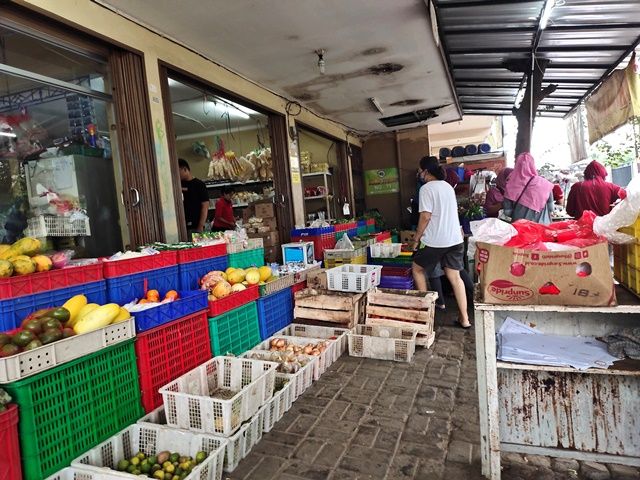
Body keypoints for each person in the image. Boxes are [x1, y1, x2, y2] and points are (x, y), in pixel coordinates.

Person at [412, 156, 470, 328]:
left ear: (426, 172)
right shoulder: (447, 187)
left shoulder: (427, 189)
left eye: (420, 171)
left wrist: (416, 239)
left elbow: (425, 216)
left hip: (436, 241)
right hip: (455, 239)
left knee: (417, 269)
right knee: (455, 276)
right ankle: (465, 319)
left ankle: (425, 315)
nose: (419, 174)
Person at [502, 152, 554, 225]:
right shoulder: (545, 184)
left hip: (520, 228)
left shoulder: (510, 185)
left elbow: (507, 212)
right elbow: (551, 208)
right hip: (542, 227)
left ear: (517, 166)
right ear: (533, 165)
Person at [178, 158, 209, 236]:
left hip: (196, 226)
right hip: (181, 227)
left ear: (185, 169)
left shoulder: (199, 184)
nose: (177, 174)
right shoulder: (178, 184)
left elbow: (205, 206)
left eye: (178, 171)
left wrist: (200, 226)